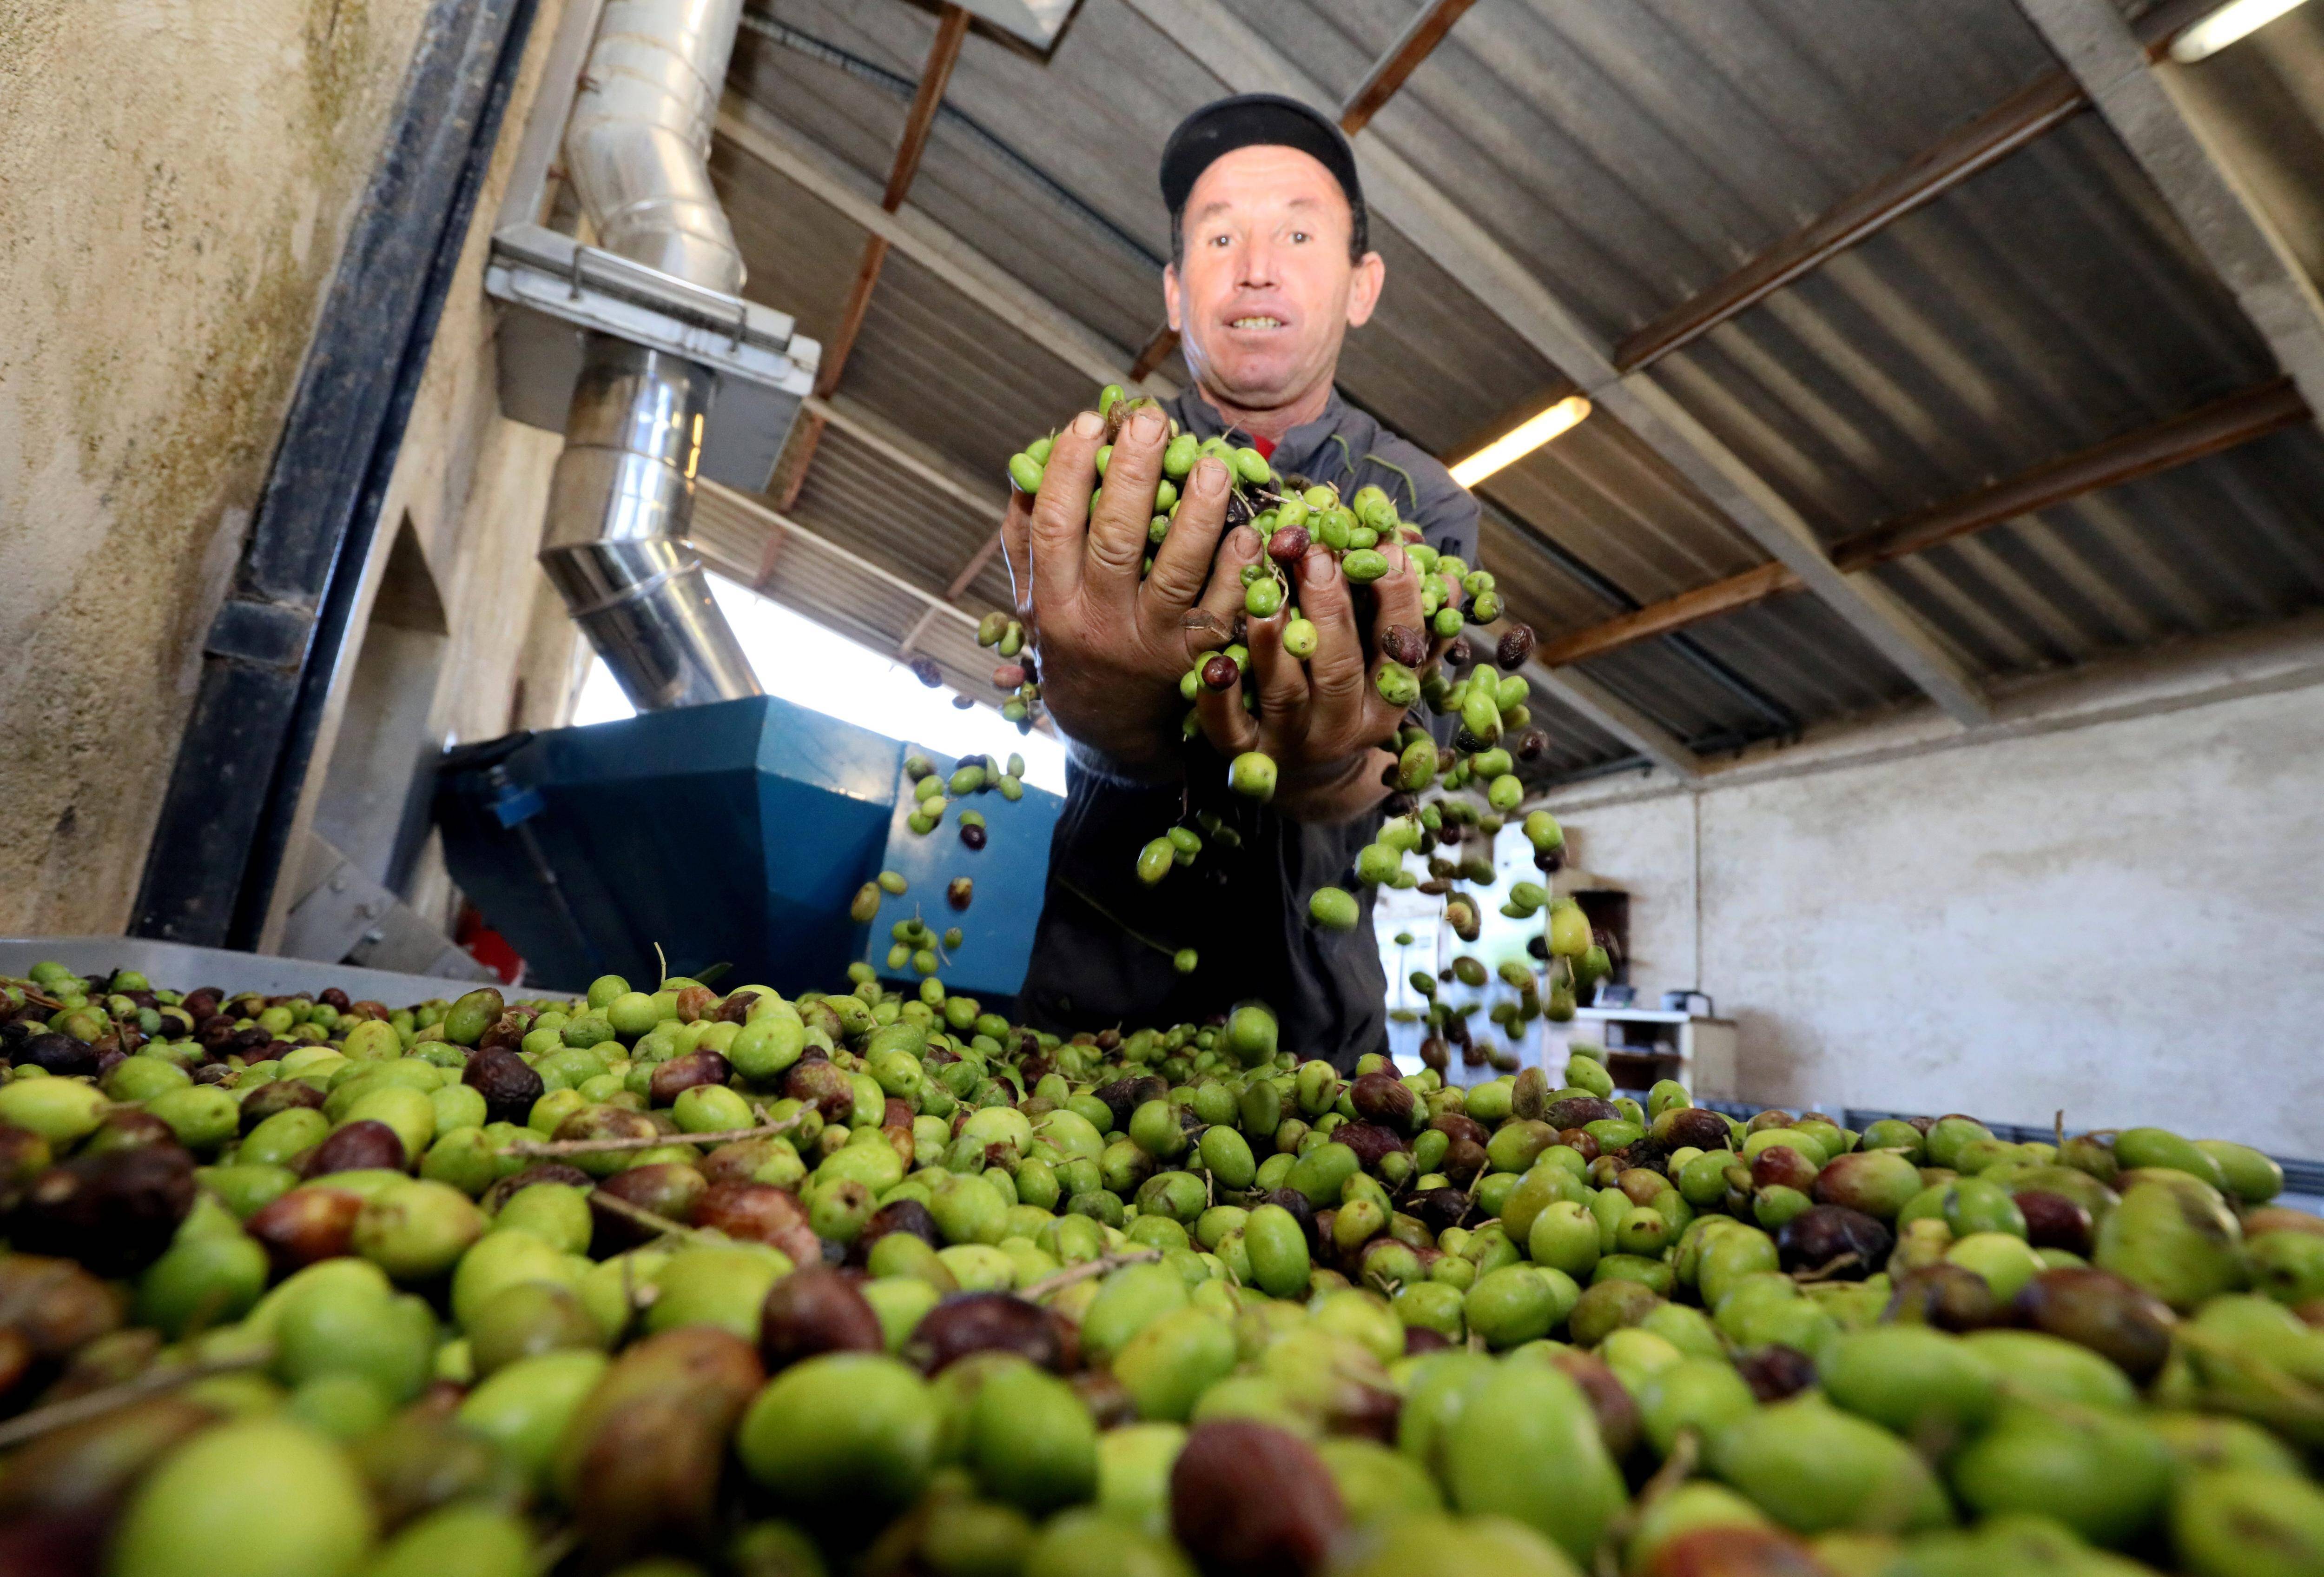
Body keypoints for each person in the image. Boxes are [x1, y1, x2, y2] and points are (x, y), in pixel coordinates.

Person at [1000, 94, 1480, 1069]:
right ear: (1175, 293)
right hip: (1094, 1005)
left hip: (1316, 1025)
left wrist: (1335, 769)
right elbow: (1036, 677)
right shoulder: (1100, 470)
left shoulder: (1424, 505)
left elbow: (1417, 756)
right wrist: (1095, 712)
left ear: (1361, 284)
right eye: (1220, 237)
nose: (1256, 266)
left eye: (1299, 233)